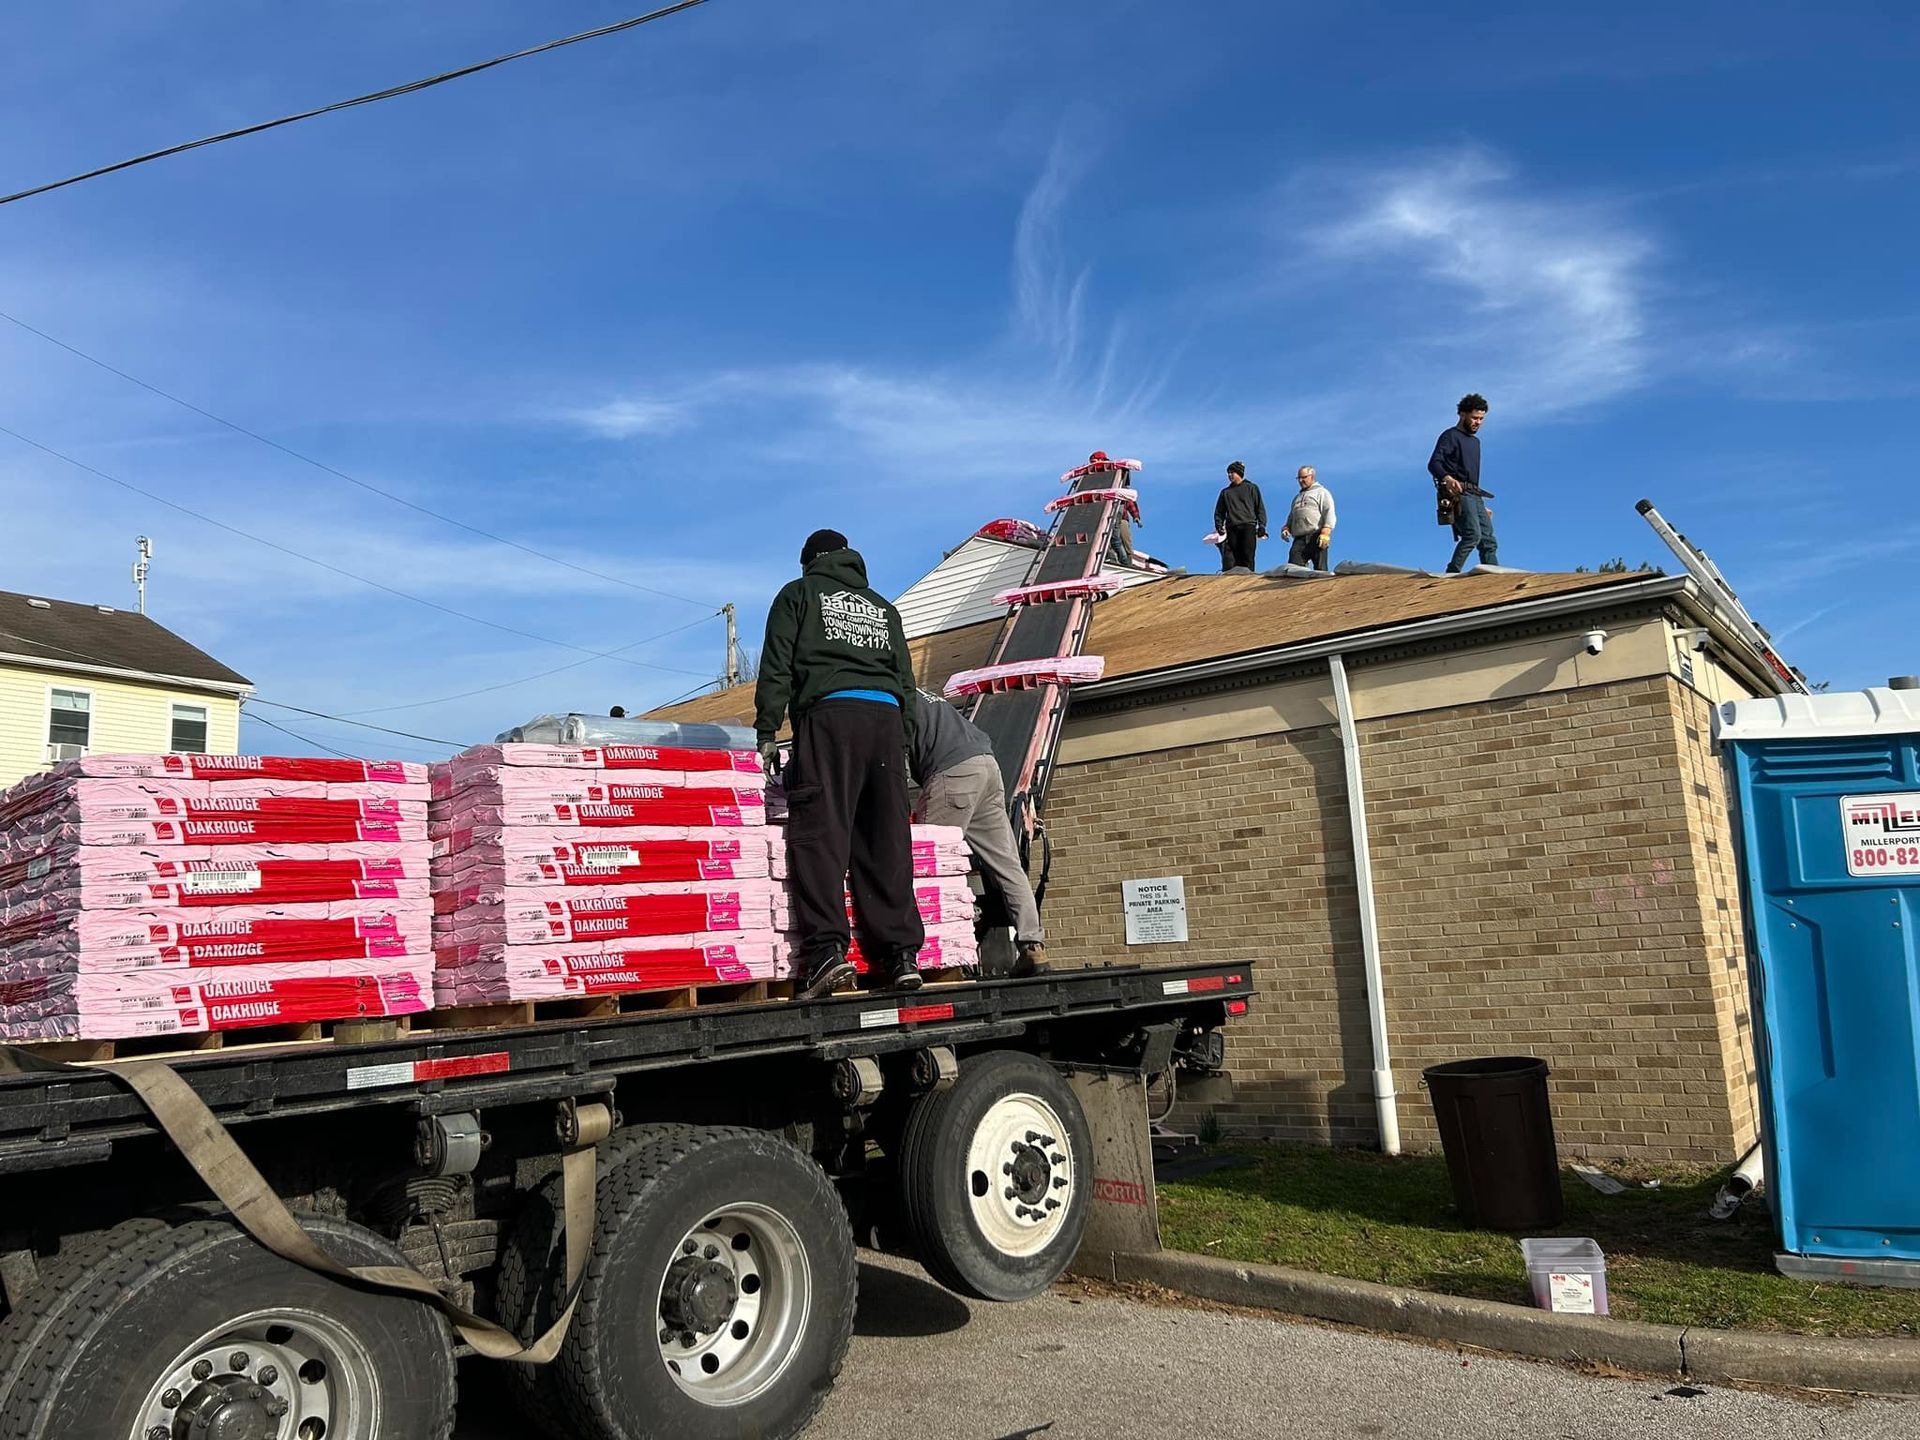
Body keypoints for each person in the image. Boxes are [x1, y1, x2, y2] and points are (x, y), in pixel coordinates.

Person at [754, 529, 925, 999]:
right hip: (886, 720)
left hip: (832, 717)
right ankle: (901, 956)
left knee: (822, 833)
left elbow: (777, 665)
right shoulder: (883, 609)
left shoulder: (799, 594)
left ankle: (827, 954)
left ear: (810, 562)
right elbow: (906, 682)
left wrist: (767, 731)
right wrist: (903, 742)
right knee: (885, 838)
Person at [909, 689, 1048, 976]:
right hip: (986, 765)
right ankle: (1033, 947)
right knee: (1007, 864)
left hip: (951, 771)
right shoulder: (926, 697)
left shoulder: (889, 697)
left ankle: (938, 957)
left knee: (929, 866)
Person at [1429, 394, 1497, 573]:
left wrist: (1481, 507)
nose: (1478, 422)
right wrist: (1448, 478)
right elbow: (1434, 463)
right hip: (1458, 493)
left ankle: (1495, 577)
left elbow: (1472, 476)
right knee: (1472, 535)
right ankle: (1452, 572)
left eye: (1481, 419)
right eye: (1474, 418)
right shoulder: (1451, 436)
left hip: (1474, 495)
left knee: (1488, 540)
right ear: (1462, 414)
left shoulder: (1475, 442)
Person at [1213, 461, 1266, 571]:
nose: (1229, 475)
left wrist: (1262, 525)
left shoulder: (1251, 488)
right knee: (1234, 558)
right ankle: (1235, 580)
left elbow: (1259, 508)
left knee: (1248, 556)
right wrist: (1219, 525)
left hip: (1248, 525)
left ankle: (1249, 578)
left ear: (1239, 473)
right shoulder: (1225, 492)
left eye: (1232, 472)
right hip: (1232, 527)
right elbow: (1219, 511)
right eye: (1228, 473)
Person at [1281, 465, 1336, 571]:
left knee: (1320, 571)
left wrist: (1326, 531)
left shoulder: (1322, 492)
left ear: (1312, 476)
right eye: (1299, 478)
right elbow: (1291, 516)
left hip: (1316, 536)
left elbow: (1329, 512)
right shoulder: (1296, 498)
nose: (1301, 480)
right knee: (1293, 570)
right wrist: (1286, 528)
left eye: (1304, 477)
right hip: (1299, 539)